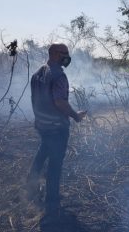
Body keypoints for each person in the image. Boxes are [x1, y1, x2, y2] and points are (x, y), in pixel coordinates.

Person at [27, 43, 86, 218]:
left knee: (42, 153)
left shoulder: (38, 73)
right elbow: (60, 102)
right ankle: (52, 201)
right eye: (64, 53)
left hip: (43, 126)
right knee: (55, 164)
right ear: (53, 54)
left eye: (68, 53)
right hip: (56, 128)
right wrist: (76, 116)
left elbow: (35, 100)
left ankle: (30, 186)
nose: (67, 57)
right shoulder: (59, 76)